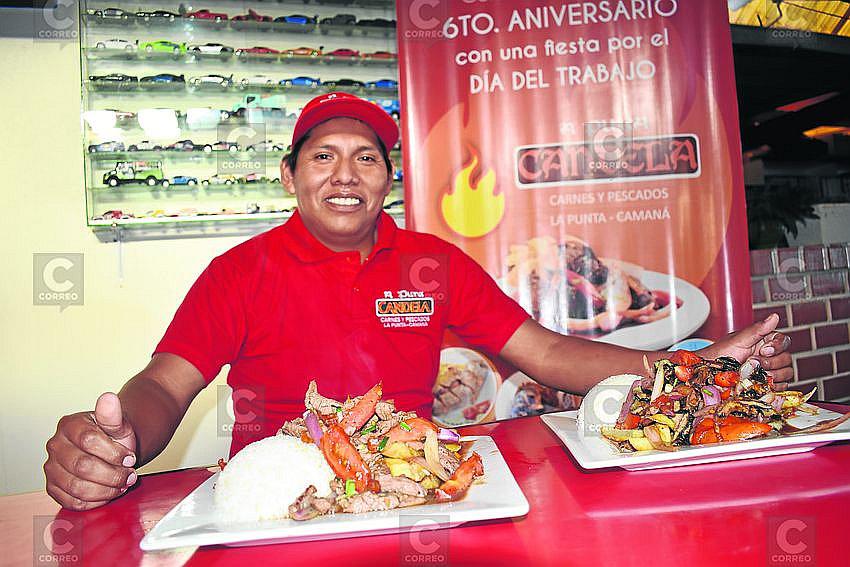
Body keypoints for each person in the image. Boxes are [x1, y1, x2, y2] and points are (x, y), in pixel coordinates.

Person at [44, 92, 793, 511]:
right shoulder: (239, 272)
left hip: (415, 497)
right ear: (290, 175)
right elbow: (164, 384)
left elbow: (546, 352)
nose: (345, 175)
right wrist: (118, 440)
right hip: (274, 506)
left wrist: (692, 367)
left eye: (366, 158)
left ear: (386, 180)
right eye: (323, 157)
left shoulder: (431, 263)